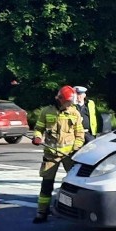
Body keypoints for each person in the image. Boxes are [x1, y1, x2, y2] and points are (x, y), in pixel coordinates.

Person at [31, 85, 85, 223]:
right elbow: (38, 129)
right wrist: (37, 137)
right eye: (67, 102)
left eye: (71, 102)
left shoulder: (74, 113)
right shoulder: (46, 111)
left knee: (74, 184)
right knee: (47, 184)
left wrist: (76, 149)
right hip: (51, 155)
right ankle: (42, 212)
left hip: (69, 156)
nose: (69, 104)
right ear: (60, 99)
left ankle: (75, 212)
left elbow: (80, 135)